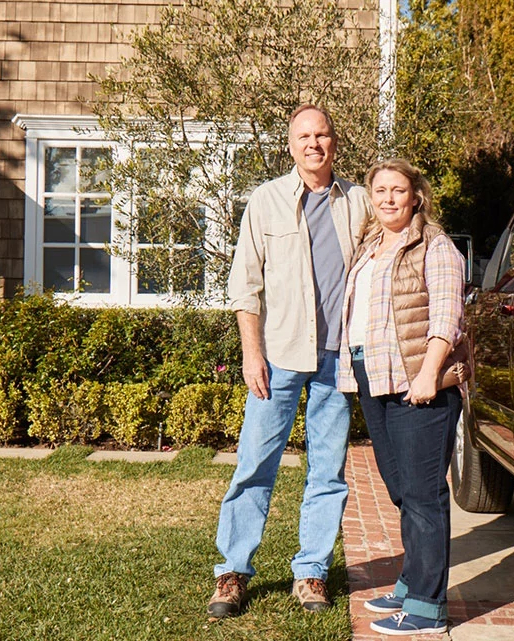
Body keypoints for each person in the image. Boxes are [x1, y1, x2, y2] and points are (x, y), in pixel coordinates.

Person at [208, 105, 371, 618]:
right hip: (278, 356)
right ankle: (232, 572)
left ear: (335, 143)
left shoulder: (362, 203)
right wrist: (250, 352)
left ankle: (312, 573)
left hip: (337, 360)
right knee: (255, 463)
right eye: (304, 136)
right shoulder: (266, 201)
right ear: (291, 145)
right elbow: (246, 284)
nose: (314, 144)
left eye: (322, 134)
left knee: (328, 470)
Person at [337, 158, 466, 636]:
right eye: (381, 190)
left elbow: (447, 315)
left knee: (423, 495)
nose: (389, 198)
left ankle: (429, 609)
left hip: (418, 383)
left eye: (398, 190)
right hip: (375, 377)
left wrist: (431, 372)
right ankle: (412, 582)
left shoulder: (435, 246)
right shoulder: (371, 246)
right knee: (401, 490)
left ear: (416, 197)